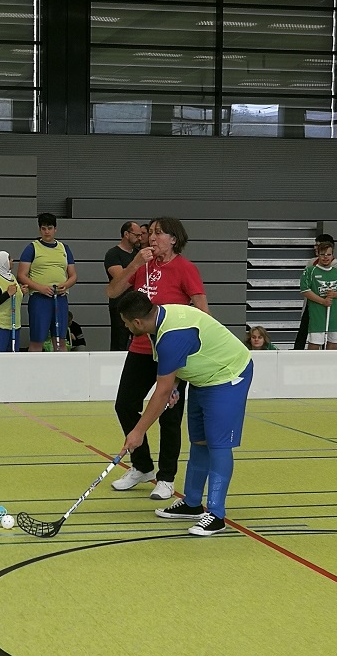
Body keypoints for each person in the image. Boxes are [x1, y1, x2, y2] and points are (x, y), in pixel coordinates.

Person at [117, 290, 252, 537]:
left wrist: (138, 432)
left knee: (218, 445)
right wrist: (175, 385)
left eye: (126, 323)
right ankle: (192, 504)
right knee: (199, 441)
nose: (126, 327)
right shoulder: (159, 321)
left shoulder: (172, 336)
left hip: (228, 376)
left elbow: (161, 392)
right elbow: (174, 372)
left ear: (137, 321)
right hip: (203, 378)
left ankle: (216, 515)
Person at [106, 216, 209, 502]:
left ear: (173, 239)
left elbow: (203, 312)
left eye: (159, 233)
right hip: (141, 348)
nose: (152, 238)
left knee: (170, 414)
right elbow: (112, 292)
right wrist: (134, 264)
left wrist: (193, 348)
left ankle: (166, 478)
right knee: (125, 405)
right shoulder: (141, 265)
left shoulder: (185, 269)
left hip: (172, 351)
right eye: (149, 233)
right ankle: (142, 466)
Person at [17, 212, 76, 352]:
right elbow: (21, 275)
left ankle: (61, 365)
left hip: (60, 298)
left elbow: (73, 275)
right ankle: (34, 366)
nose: (47, 232)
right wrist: (40, 288)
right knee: (37, 341)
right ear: (40, 230)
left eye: (49, 228)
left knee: (60, 340)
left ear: (55, 229)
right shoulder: (32, 248)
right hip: (40, 298)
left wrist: (66, 285)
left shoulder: (64, 248)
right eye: (43, 228)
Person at [293, 233, 337, 351]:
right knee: (304, 328)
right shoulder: (311, 263)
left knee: (323, 332)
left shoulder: (335, 264)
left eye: (318, 245)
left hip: (324, 304)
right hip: (311, 301)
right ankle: (298, 351)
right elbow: (306, 284)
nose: (315, 247)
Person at [300, 240, 337, 350]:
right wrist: (323, 301)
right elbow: (305, 290)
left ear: (332, 255)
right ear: (318, 254)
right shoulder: (310, 271)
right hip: (317, 314)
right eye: (323, 254)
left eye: (328, 254)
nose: (326, 257)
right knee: (315, 343)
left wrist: (334, 294)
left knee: (334, 343)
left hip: (335, 314)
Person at [104, 222, 144, 350]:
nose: (140, 238)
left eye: (141, 235)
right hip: (120, 303)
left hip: (137, 304)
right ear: (126, 234)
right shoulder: (113, 254)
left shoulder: (138, 253)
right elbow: (120, 277)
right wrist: (135, 265)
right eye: (136, 235)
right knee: (119, 341)